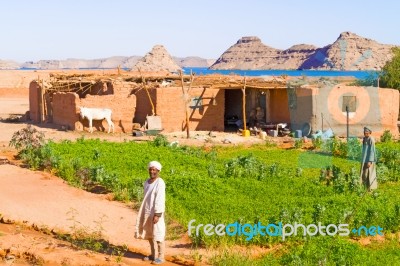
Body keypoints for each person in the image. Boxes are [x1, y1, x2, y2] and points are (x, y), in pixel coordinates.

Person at [135, 161, 166, 265]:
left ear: (158, 171)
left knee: (158, 234)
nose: (152, 171)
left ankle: (161, 257)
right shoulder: (147, 182)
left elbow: (160, 198)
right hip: (147, 211)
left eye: (154, 170)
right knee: (150, 234)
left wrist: (157, 214)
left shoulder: (160, 182)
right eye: (150, 169)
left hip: (156, 213)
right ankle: (153, 255)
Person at [360, 127, 378, 191]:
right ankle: (364, 186)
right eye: (365, 132)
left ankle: (370, 188)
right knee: (364, 172)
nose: (366, 133)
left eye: (367, 132)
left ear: (370, 132)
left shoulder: (371, 139)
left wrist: (370, 161)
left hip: (369, 160)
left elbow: (372, 150)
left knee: (369, 173)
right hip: (364, 159)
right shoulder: (364, 139)